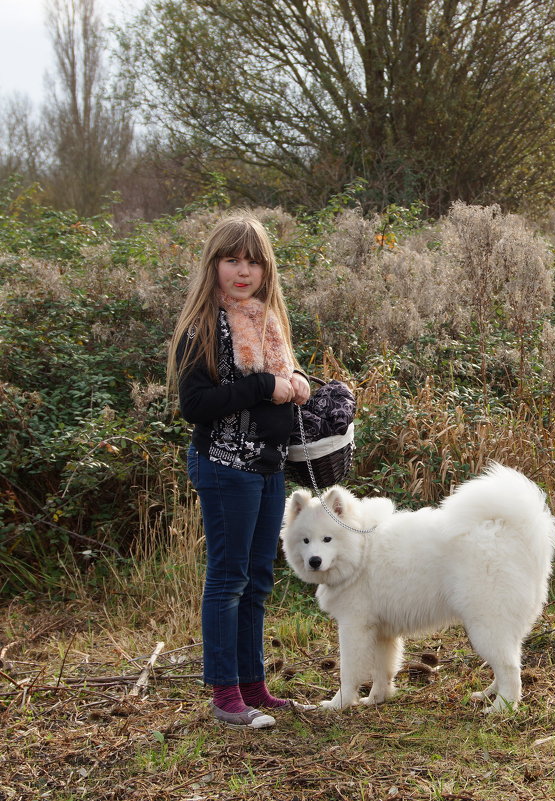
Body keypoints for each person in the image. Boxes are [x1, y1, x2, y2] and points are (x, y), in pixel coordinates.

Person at [166, 215, 314, 729]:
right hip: (224, 466)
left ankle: (254, 685)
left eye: (252, 260)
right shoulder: (204, 326)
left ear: (265, 267)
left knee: (257, 581)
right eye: (232, 259)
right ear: (215, 265)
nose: (242, 270)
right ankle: (224, 691)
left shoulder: (267, 320)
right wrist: (262, 388)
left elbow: (273, 383)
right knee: (227, 580)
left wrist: (294, 380)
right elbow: (195, 404)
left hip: (268, 468)